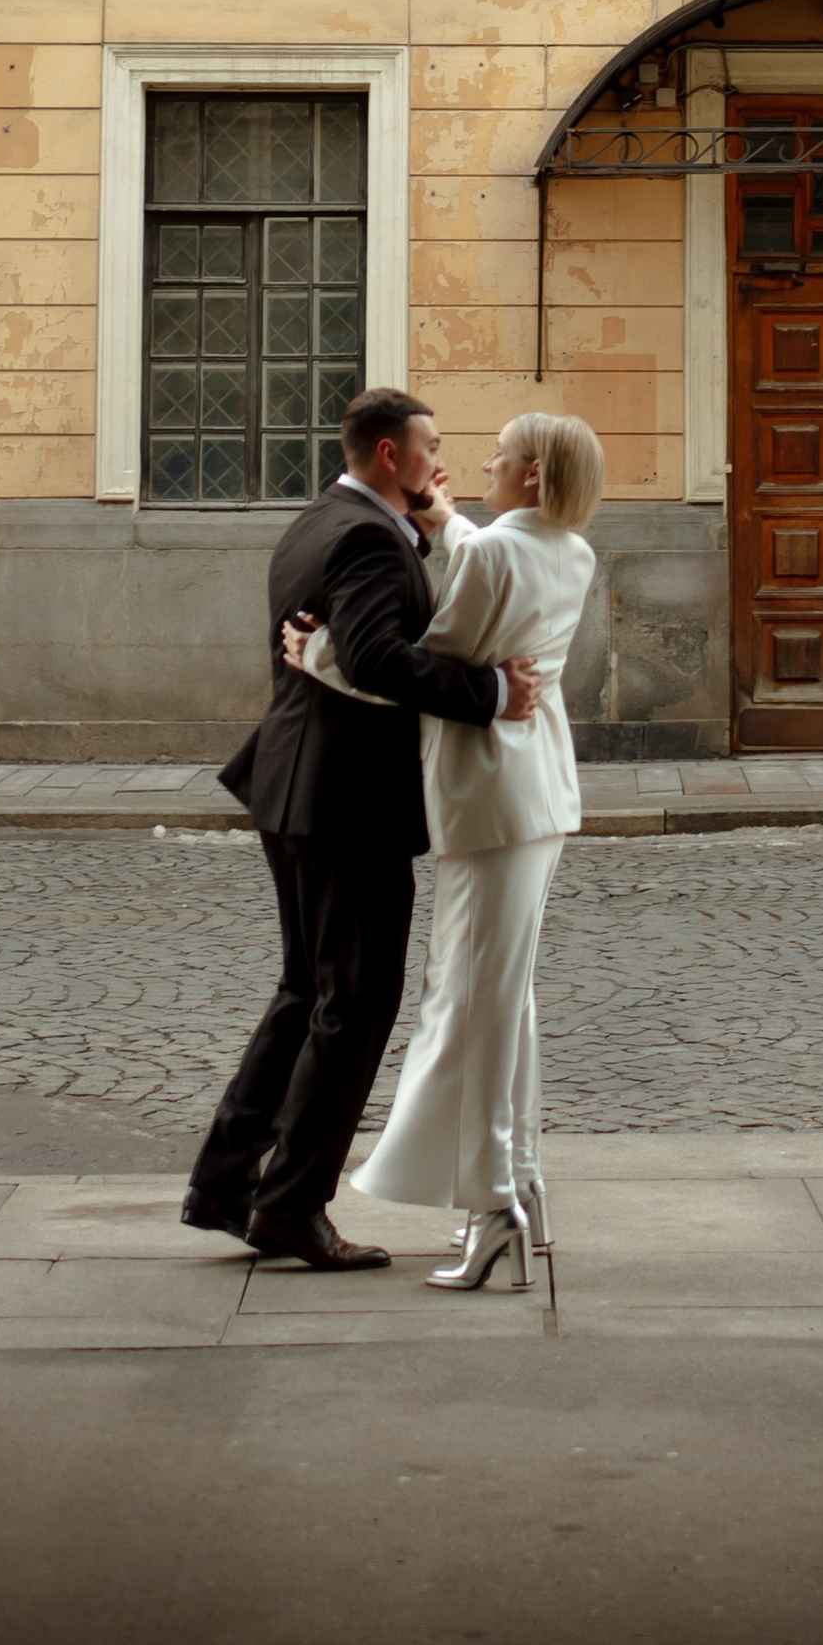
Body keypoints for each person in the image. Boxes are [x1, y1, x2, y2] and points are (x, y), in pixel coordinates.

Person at [182, 388, 542, 1271]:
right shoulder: (369, 538)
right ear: (390, 454)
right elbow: (380, 655)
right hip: (347, 800)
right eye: (430, 445)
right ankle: (292, 1204)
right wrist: (493, 693)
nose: (440, 458)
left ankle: (226, 1183)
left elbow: (344, 644)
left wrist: (430, 526)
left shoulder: (324, 519)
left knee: (306, 990)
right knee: (356, 1002)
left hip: (293, 783)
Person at [331, 410, 602, 1293]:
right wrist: (450, 525)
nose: (481, 461)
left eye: (500, 453)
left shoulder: (491, 555)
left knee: (470, 1002)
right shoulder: (572, 549)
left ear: (530, 473)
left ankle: (493, 1209)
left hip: (487, 797)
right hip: (542, 794)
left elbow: (424, 665)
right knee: (507, 995)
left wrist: (318, 657)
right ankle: (522, 1183)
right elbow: (496, 557)